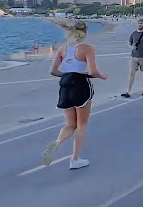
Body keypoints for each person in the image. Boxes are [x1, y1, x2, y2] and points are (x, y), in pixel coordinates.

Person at [41, 20, 106, 170]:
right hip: (81, 85)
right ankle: (74, 159)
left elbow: (53, 70)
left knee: (70, 124)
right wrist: (103, 76)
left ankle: (57, 142)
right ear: (85, 33)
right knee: (82, 123)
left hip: (65, 86)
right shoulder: (87, 48)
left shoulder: (63, 49)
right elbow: (93, 71)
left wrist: (67, 75)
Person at [124, 18, 143, 97]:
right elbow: (129, 42)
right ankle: (128, 91)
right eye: (138, 23)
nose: (139, 25)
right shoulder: (133, 33)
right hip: (134, 56)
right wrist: (131, 47)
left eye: (141, 23)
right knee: (131, 73)